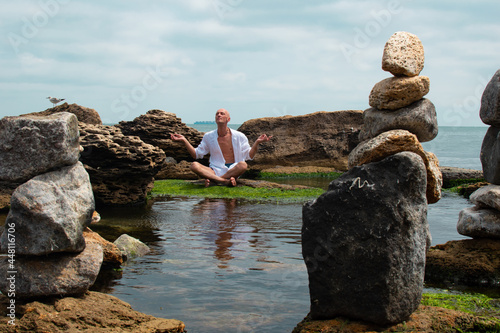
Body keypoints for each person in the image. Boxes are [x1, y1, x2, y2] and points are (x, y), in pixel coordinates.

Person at [171, 108, 272, 187]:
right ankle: (224, 181)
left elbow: (249, 155)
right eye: (217, 114)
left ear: (228, 119)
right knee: (194, 165)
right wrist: (184, 140)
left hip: (233, 169)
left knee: (243, 165)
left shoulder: (239, 136)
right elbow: (196, 154)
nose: (219, 115)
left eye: (222, 113)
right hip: (214, 170)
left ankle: (215, 181)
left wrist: (257, 143)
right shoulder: (209, 136)